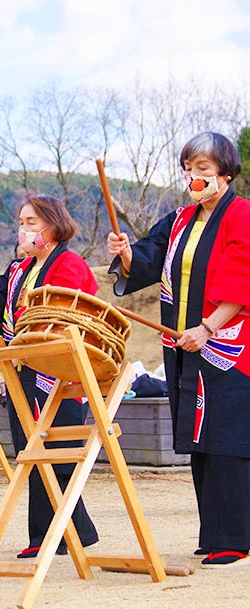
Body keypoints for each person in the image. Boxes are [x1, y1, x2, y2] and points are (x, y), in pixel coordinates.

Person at [107, 131, 250, 568]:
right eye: (189, 169)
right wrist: (126, 252)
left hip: (226, 342)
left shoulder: (241, 215)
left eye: (203, 169)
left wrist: (208, 327)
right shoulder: (179, 220)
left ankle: (234, 537)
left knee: (226, 435)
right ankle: (213, 532)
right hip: (181, 342)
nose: (194, 176)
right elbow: (146, 261)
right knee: (198, 436)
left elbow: (242, 280)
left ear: (225, 173)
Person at [0, 194, 99, 558]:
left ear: (53, 225)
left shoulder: (69, 263)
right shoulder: (18, 270)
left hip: (57, 369)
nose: (22, 229)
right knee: (32, 448)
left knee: (55, 448)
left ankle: (60, 534)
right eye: (21, 223)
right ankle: (52, 535)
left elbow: (66, 311)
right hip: (23, 367)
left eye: (31, 223)